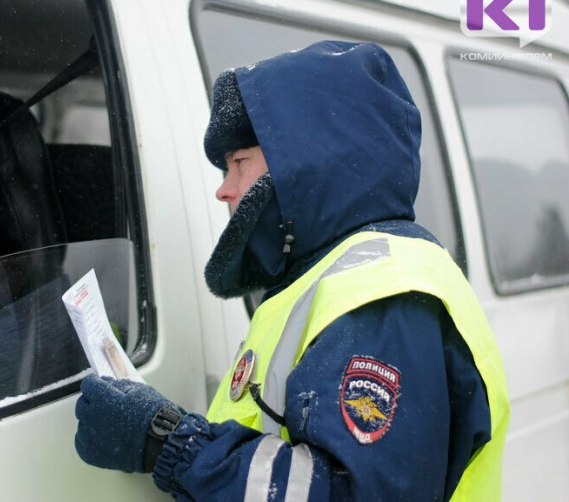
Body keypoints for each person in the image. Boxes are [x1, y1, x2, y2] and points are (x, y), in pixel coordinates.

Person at [74, 41, 509, 501]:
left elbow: (351, 494)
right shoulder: (327, 274)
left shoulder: (382, 295)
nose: (224, 190)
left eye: (239, 163)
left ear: (307, 161)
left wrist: (167, 443)